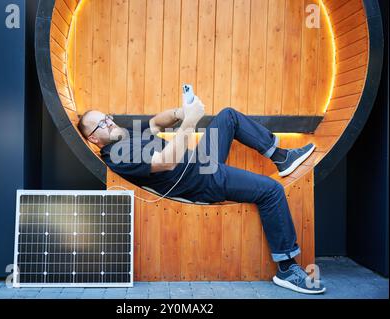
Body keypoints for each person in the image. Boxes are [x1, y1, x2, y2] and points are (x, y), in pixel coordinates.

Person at [77, 95, 325, 294]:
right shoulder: (117, 155)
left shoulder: (126, 135)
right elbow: (166, 161)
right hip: (201, 181)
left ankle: (280, 157)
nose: (109, 121)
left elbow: (155, 123)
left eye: (107, 117)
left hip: (200, 161)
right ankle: (287, 268)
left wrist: (179, 113)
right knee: (271, 191)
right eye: (102, 123)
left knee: (228, 116)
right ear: (93, 138)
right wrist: (189, 122)